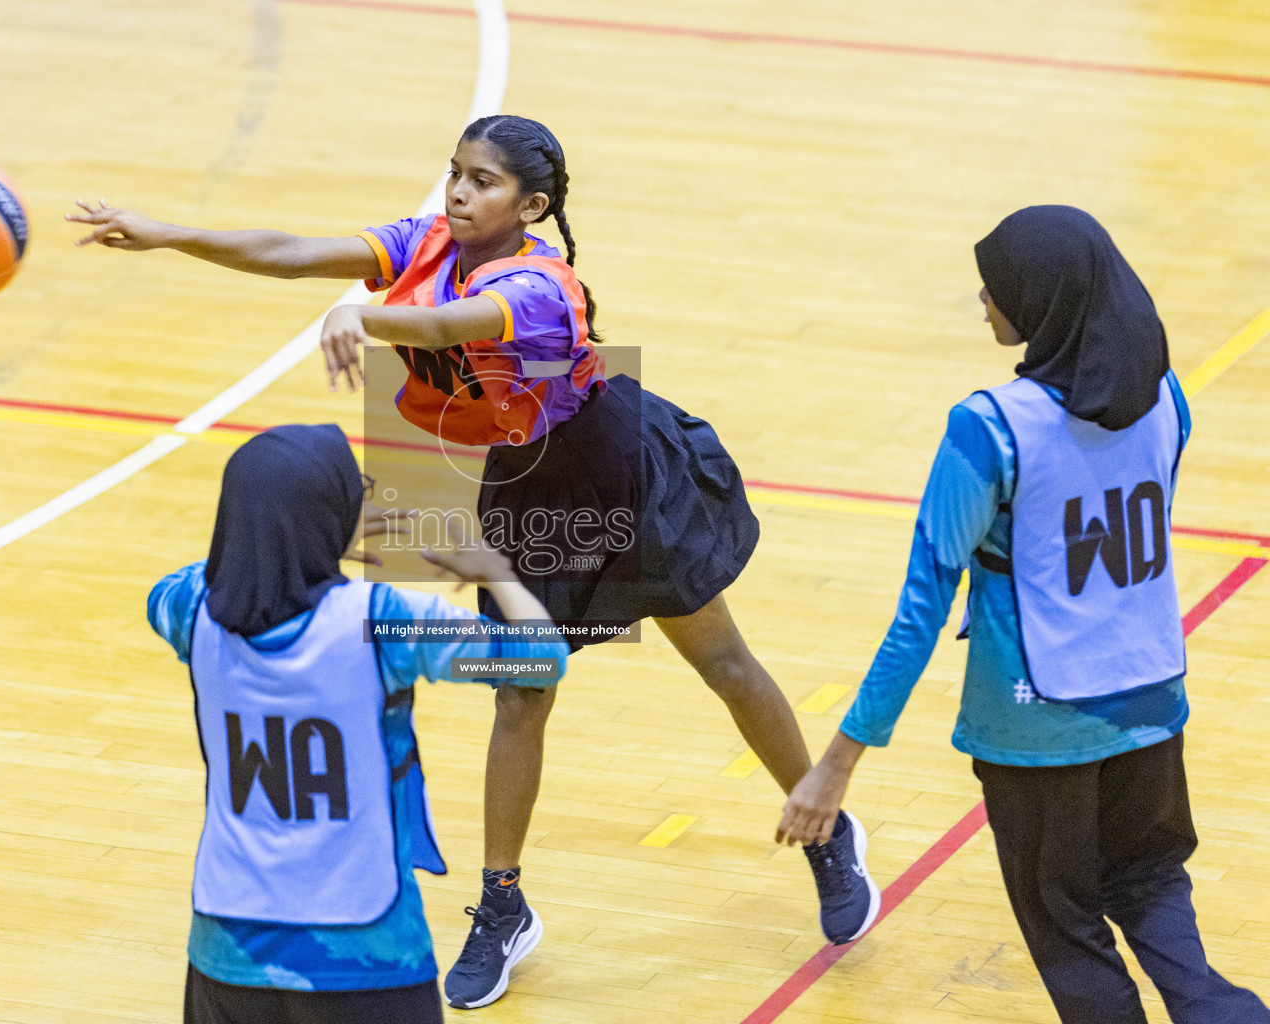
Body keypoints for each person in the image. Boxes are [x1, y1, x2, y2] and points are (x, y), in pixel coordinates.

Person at [71, 114, 878, 1010]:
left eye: (482, 181)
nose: (458, 192)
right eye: (454, 173)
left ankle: (826, 832)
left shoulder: (538, 283)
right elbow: (292, 248)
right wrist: (167, 233)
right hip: (521, 480)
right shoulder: (424, 244)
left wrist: (359, 313)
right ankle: (503, 903)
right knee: (521, 687)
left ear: (529, 205)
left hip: (613, 468)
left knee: (721, 660)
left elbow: (453, 322)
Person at [776, 205, 1270, 1023]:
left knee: (1065, 924)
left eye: (997, 284)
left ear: (1043, 303)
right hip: (1153, 699)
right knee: (1149, 883)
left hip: (1037, 724)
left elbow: (919, 613)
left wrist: (836, 765)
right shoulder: (1165, 399)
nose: (981, 297)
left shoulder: (990, 428)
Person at [147, 422, 571, 1024]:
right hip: (366, 956)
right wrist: (494, 572)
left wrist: (288, 537)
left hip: (227, 949)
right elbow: (540, 660)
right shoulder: (386, 625)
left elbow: (193, 578)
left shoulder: (190, 610)